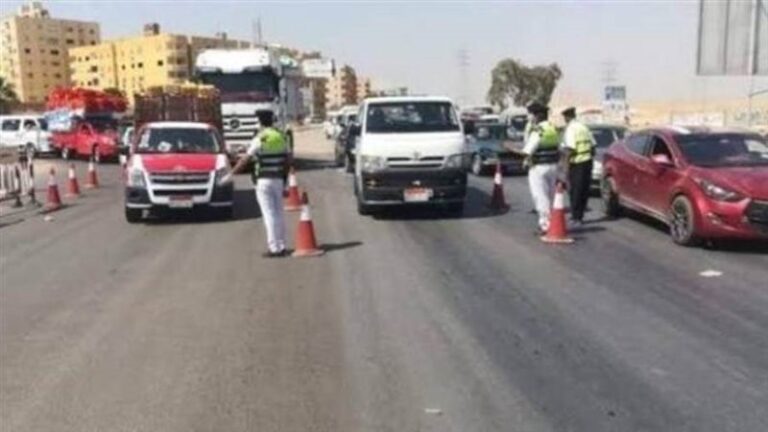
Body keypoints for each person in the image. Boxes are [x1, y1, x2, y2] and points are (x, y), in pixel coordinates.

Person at [221, 111, 290, 258]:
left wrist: (230, 175)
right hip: (278, 179)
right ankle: (282, 245)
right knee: (279, 213)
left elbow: (244, 160)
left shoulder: (260, 138)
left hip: (263, 180)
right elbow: (287, 161)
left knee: (269, 214)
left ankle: (274, 248)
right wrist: (285, 182)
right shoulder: (282, 136)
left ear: (260, 122)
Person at [512, 102, 561, 234]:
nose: (530, 117)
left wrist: (510, 148)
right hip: (553, 166)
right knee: (550, 196)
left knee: (541, 197)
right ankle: (554, 223)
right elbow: (560, 147)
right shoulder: (553, 128)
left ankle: (545, 226)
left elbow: (527, 152)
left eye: (531, 114)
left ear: (538, 116)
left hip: (538, 168)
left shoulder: (538, 130)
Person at [560, 107, 596, 227]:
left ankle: (576, 217)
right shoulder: (584, 127)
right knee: (584, 190)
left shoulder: (571, 129)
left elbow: (569, 149)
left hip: (576, 163)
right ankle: (580, 216)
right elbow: (593, 146)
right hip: (587, 162)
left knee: (574, 190)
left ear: (567, 117)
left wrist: (565, 168)